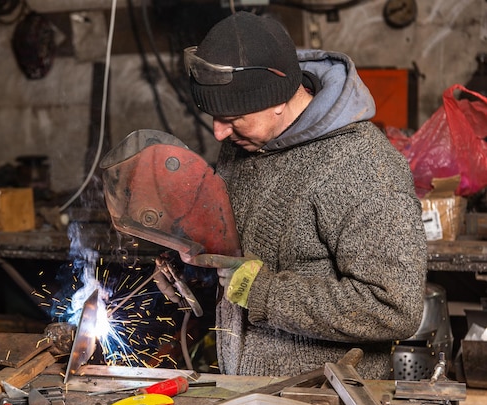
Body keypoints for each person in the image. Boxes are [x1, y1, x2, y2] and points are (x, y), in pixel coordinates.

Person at [158, 11, 427, 380]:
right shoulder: (245, 144)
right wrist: (192, 271)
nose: (219, 133)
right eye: (213, 117)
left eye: (232, 117)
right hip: (243, 390)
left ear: (279, 98)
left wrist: (266, 293)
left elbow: (394, 308)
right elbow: (236, 258)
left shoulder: (362, 167)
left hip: (323, 400)